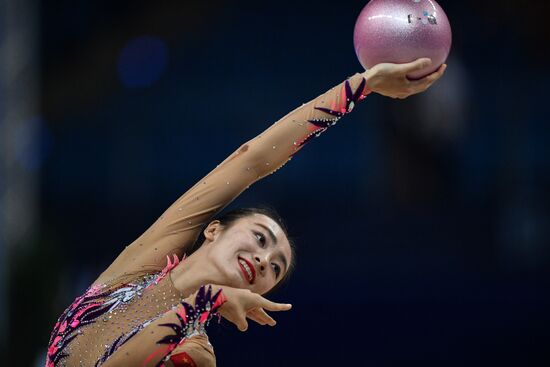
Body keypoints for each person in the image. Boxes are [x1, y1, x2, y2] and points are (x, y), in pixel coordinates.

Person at [46, 58, 446, 367]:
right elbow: (252, 161)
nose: (263, 259)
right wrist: (364, 85)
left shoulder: (195, 352)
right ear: (213, 230)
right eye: (260, 238)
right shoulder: (140, 268)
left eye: (275, 267)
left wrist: (203, 303)